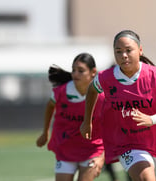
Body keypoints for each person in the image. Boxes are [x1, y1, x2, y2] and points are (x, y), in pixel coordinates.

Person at [80, 30, 156, 181]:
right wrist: (86, 120)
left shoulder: (155, 75)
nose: (124, 55)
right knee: (145, 178)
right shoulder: (105, 77)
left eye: (129, 50)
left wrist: (152, 119)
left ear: (140, 50)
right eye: (118, 51)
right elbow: (92, 90)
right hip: (128, 143)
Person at [36, 53, 105, 181]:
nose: (75, 74)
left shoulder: (101, 96)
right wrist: (45, 132)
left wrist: (102, 156)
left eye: (81, 71)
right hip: (65, 147)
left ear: (93, 72)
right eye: (73, 70)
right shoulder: (62, 91)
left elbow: (111, 126)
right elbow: (50, 106)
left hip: (92, 149)